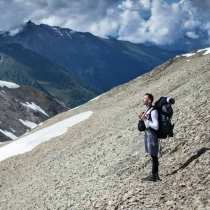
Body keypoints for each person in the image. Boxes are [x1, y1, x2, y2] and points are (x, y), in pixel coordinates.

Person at [138, 93, 161, 182]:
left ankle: (154, 175)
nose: (143, 100)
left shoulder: (153, 111)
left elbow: (156, 126)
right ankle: (154, 174)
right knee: (152, 154)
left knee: (154, 155)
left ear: (150, 100)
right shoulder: (148, 110)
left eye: (145, 98)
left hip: (152, 135)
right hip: (148, 134)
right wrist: (142, 118)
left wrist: (145, 120)